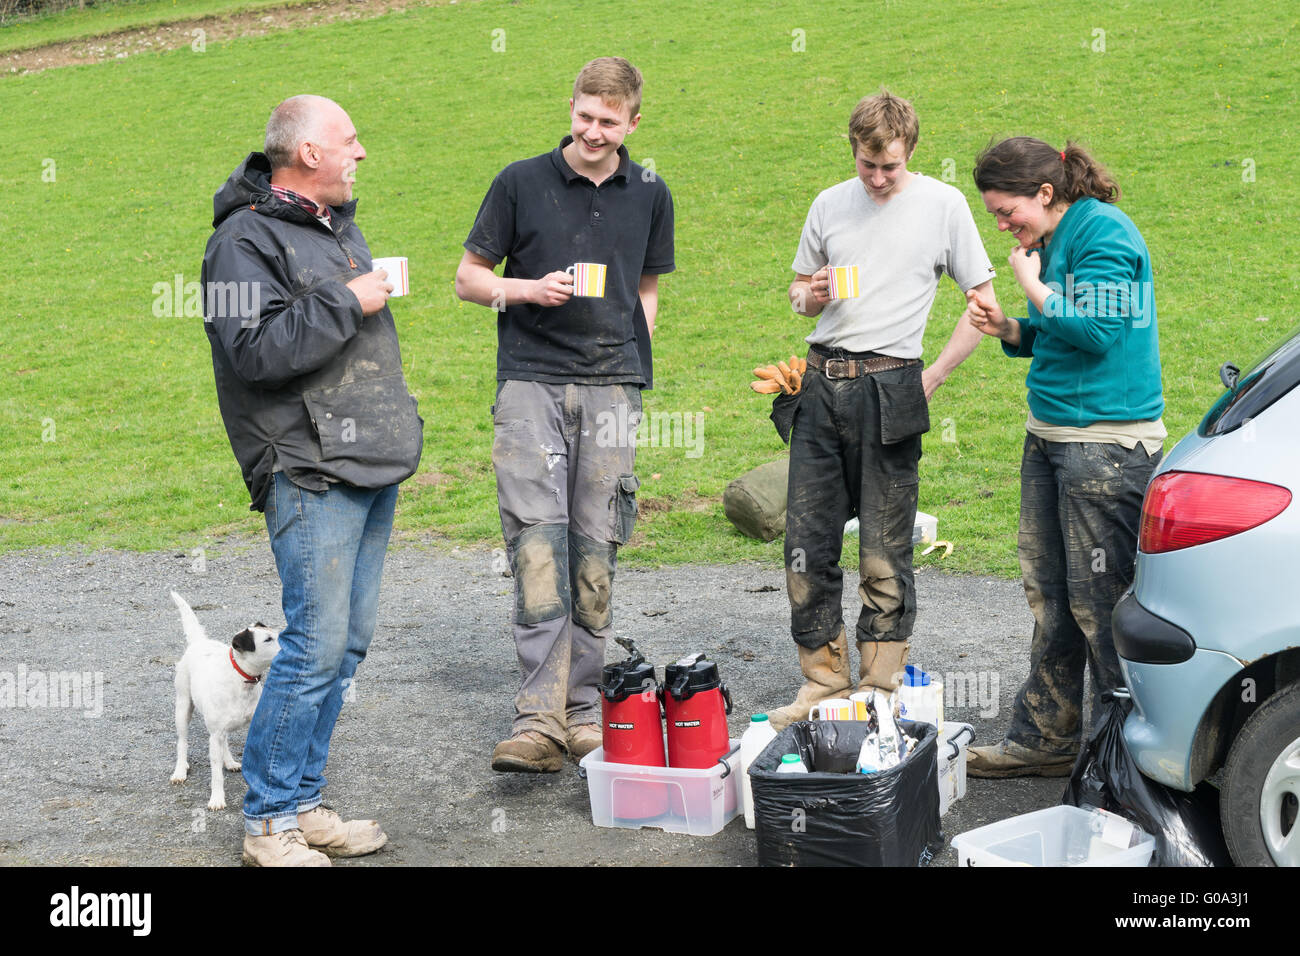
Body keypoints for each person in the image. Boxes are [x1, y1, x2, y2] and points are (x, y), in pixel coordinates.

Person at [201, 94, 424, 864]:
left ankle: (302, 803)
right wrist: (346, 298)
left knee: (345, 645)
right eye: (349, 142)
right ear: (306, 155)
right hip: (306, 466)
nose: (361, 153)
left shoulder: (336, 227)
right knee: (313, 645)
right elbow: (252, 354)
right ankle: (267, 824)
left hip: (368, 457)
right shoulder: (238, 243)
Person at [454, 57, 674, 772]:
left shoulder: (650, 191)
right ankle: (536, 718)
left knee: (596, 546)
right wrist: (526, 290)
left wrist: (630, 359)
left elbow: (647, 285)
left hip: (613, 388)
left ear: (633, 122)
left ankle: (584, 713)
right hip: (530, 385)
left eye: (609, 121)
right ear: (572, 107)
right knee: (538, 545)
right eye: (584, 115)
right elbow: (468, 280)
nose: (593, 131)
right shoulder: (520, 181)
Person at [766, 90, 999, 729]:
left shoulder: (944, 206)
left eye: (890, 167)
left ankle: (879, 684)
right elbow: (797, 292)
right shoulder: (828, 204)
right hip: (820, 381)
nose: (877, 178)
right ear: (855, 151)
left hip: (893, 381)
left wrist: (932, 378)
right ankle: (820, 680)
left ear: (910, 153)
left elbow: (982, 302)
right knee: (807, 544)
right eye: (868, 165)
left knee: (884, 547)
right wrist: (806, 296)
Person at [963, 136, 1165, 777]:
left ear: (1045, 193)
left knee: (1099, 605)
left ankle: (1125, 755)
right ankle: (1046, 738)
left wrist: (1032, 287)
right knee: (1050, 596)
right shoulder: (1050, 242)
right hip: (1052, 437)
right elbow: (1058, 338)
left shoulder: (1105, 234)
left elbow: (1099, 332)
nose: (1001, 225)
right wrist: (1011, 330)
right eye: (993, 214)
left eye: (1006, 211)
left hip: (1104, 447)